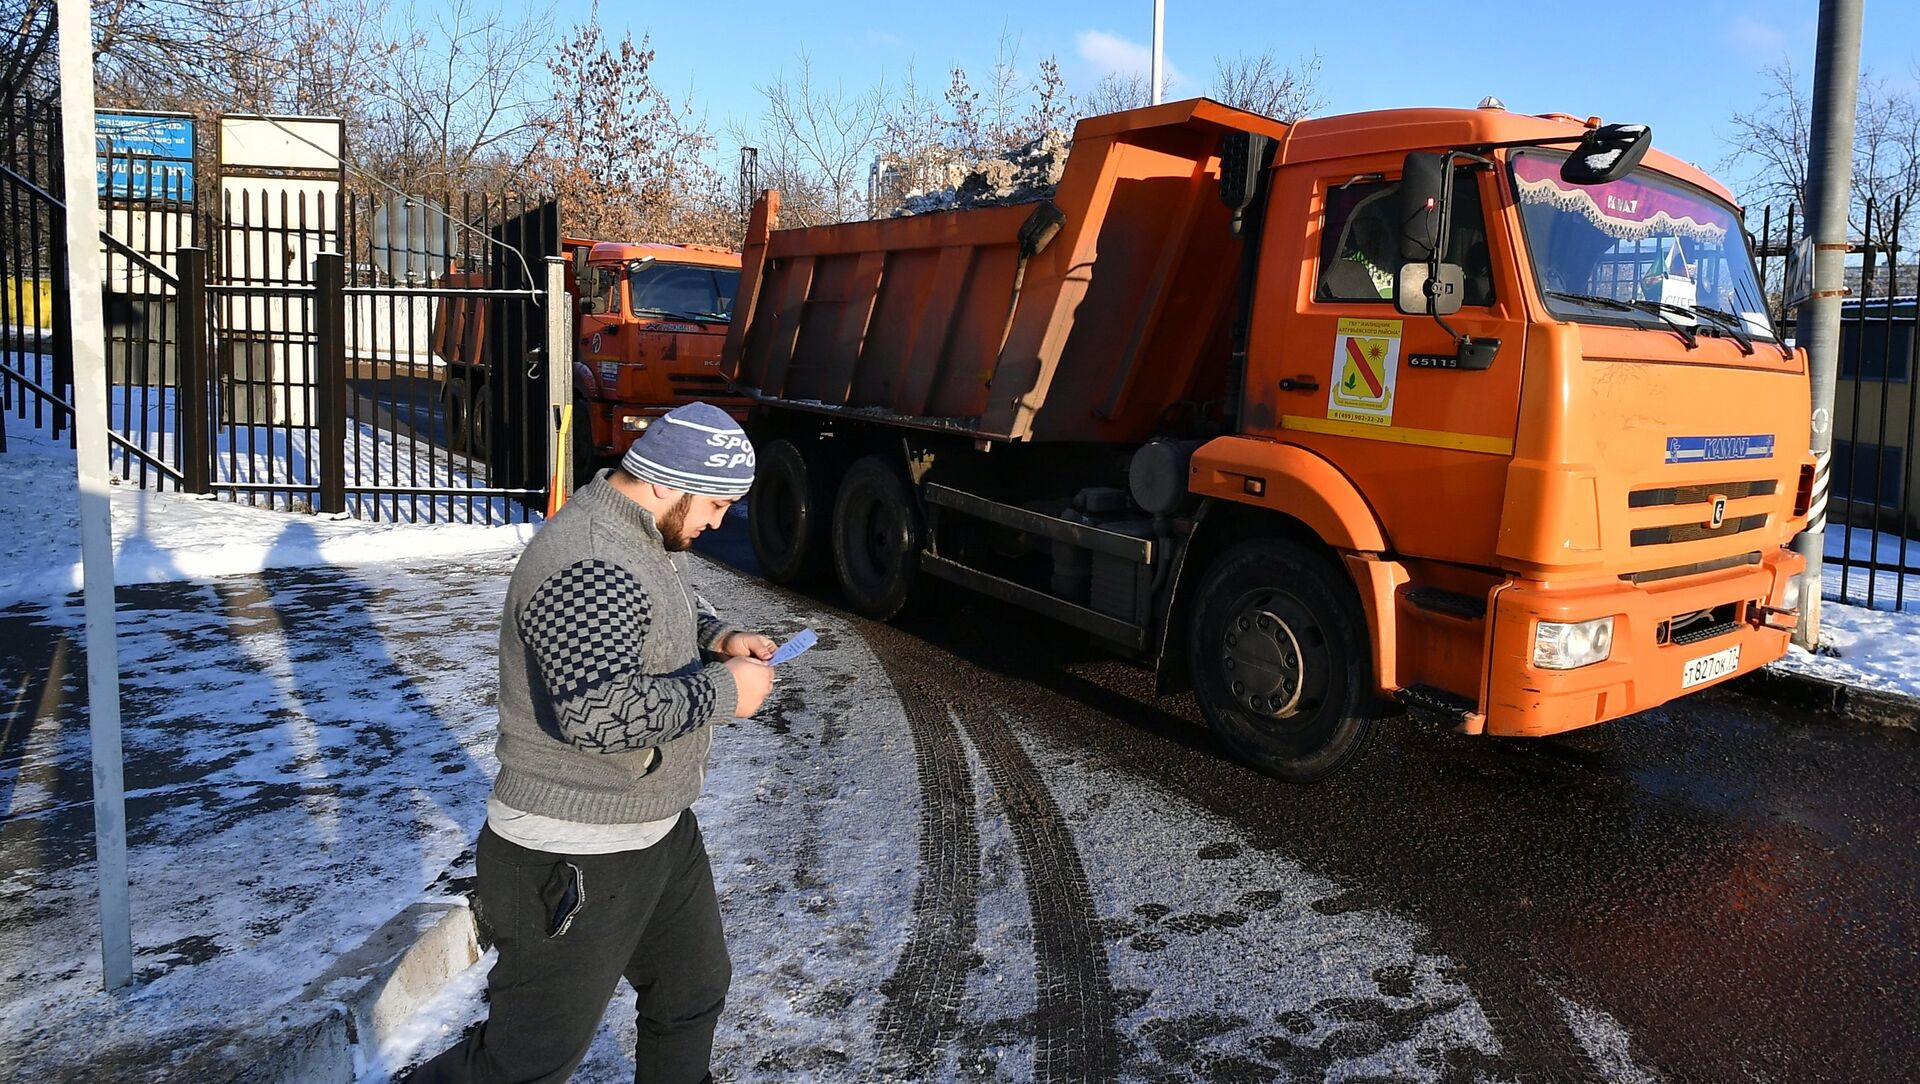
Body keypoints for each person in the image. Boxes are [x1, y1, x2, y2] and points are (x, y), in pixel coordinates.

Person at [407, 401, 776, 1084]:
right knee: (527, 1060)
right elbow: (598, 714)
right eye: (717, 506)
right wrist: (728, 692)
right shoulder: (588, 557)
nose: (719, 523)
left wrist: (718, 638)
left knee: (692, 991)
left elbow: (655, 609)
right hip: (573, 850)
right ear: (667, 482)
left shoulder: (638, 533)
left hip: (657, 831)